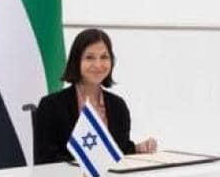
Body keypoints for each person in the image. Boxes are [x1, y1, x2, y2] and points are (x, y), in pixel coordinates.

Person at [33, 28, 157, 165]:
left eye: (104, 57)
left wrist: (139, 148)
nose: (98, 65)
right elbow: (45, 159)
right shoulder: (51, 106)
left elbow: (119, 151)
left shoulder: (118, 106)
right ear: (76, 60)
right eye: (89, 57)